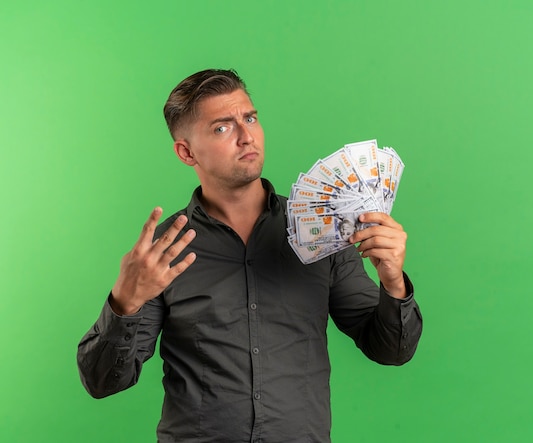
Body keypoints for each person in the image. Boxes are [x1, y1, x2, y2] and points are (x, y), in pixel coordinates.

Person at [77, 69, 423, 443]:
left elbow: (391, 350)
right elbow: (103, 382)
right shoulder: (166, 249)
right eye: (222, 128)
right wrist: (123, 304)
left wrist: (393, 282)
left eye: (250, 118)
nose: (246, 137)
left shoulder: (322, 229)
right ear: (186, 151)